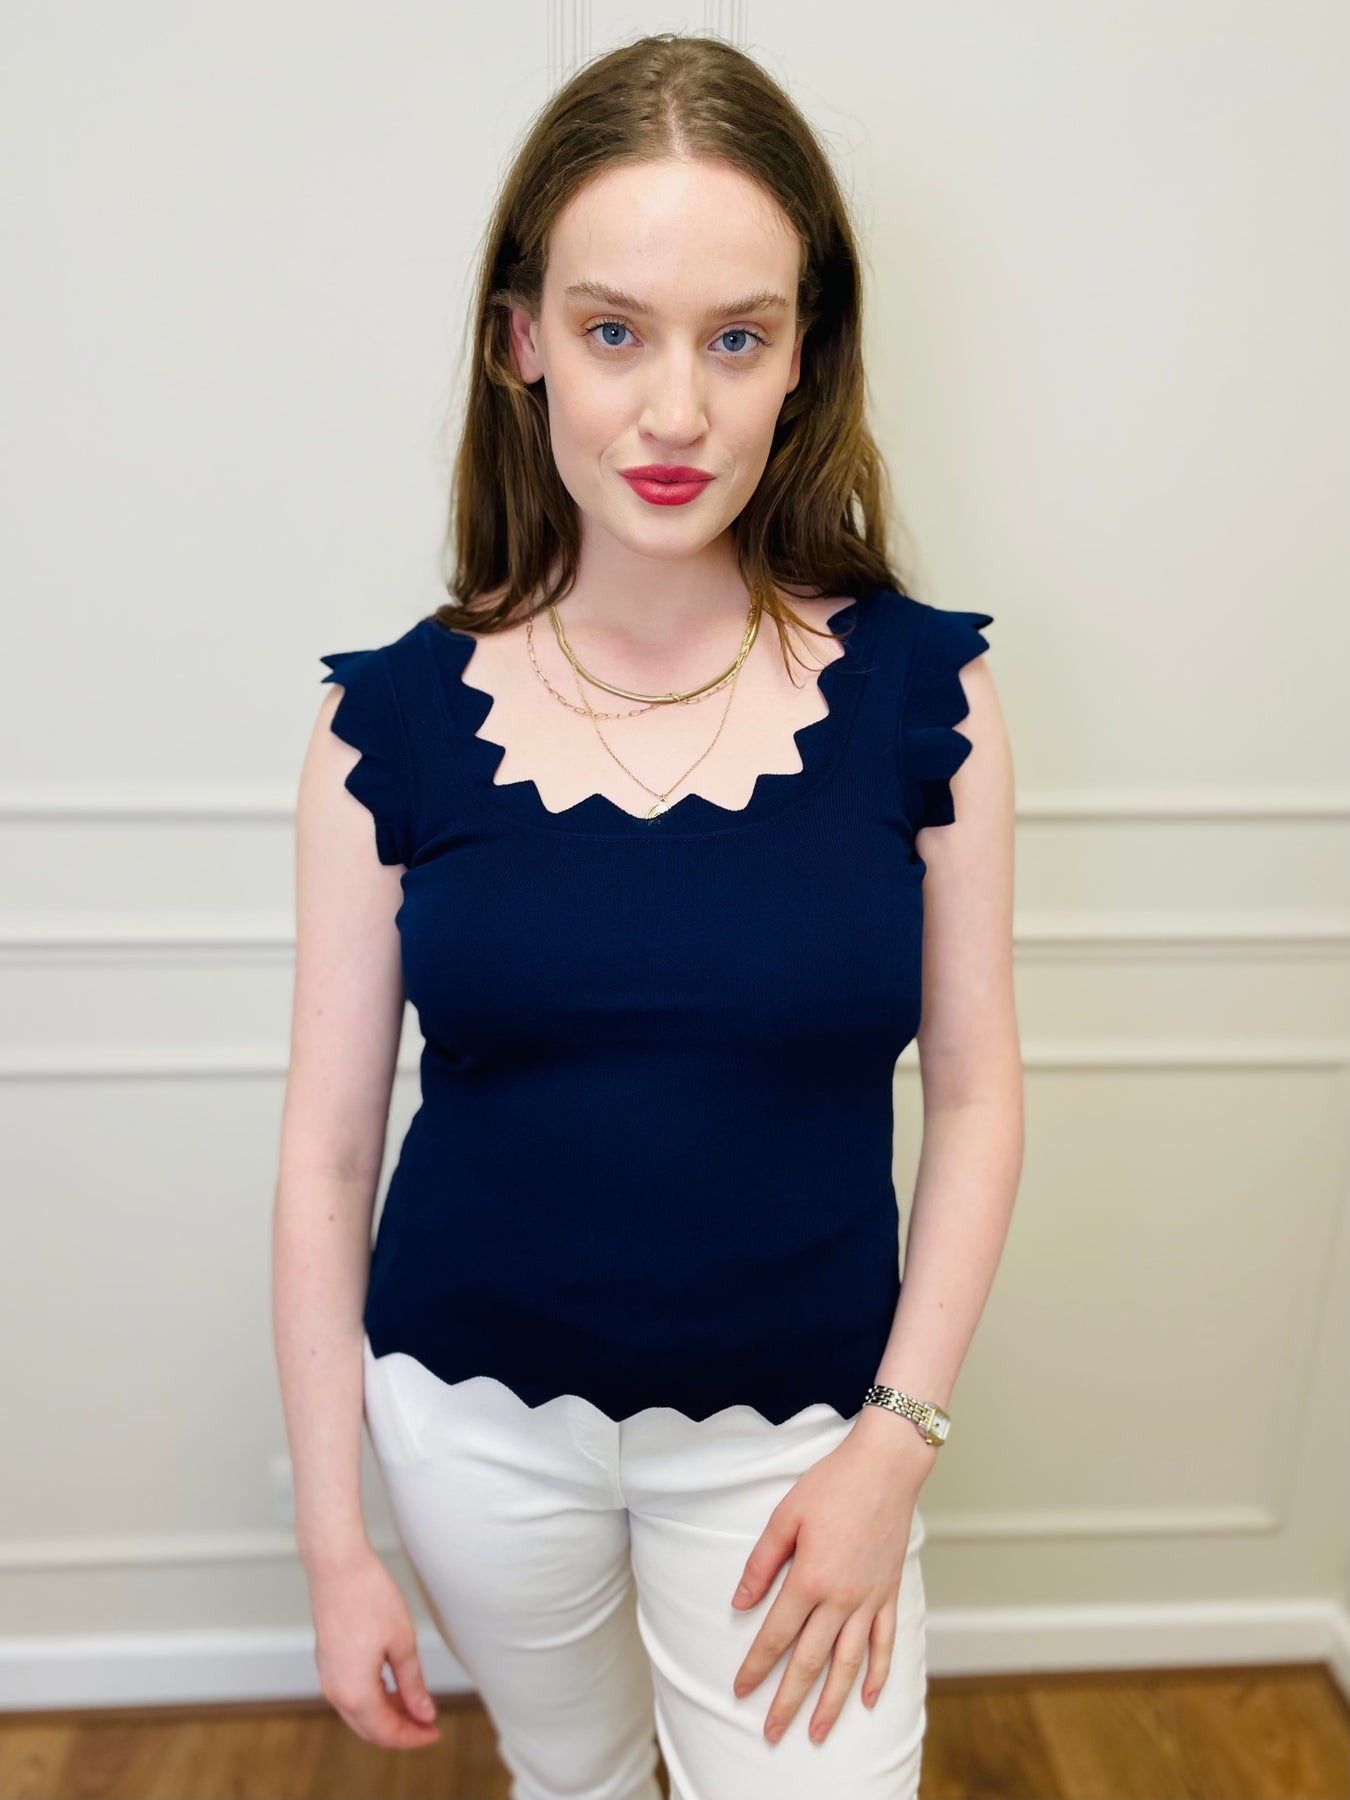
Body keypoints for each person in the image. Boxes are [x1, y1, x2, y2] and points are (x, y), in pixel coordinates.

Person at [274, 31, 1022, 1800]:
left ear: (803, 352)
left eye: (734, 338)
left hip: (802, 1442)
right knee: (574, 1783)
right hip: (470, 1431)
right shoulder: (386, 722)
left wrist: (894, 1447)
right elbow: (325, 1152)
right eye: (614, 332)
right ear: (520, 341)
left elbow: (979, 1094)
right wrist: (335, 1542)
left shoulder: (928, 698)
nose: (675, 412)